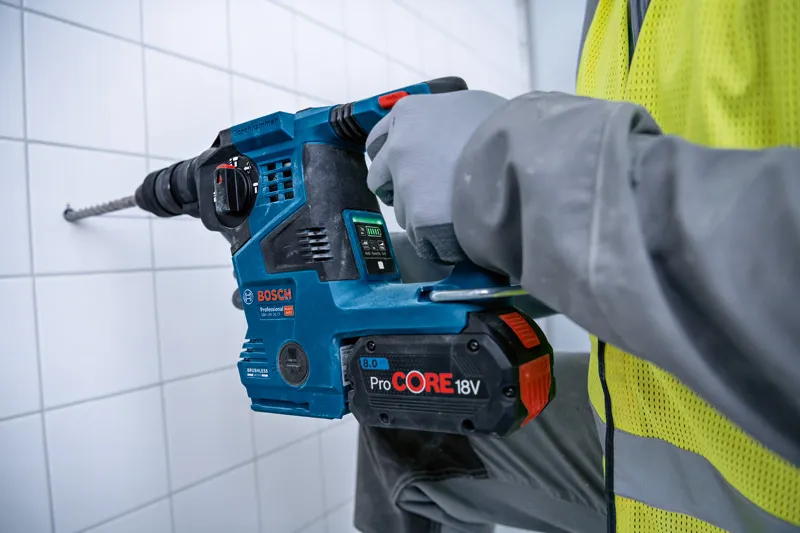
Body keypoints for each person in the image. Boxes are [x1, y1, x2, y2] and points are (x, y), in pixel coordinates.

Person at [352, 0, 800, 532]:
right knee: (400, 419)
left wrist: (507, 178)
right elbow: (619, 239)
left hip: (767, 482)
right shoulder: (608, 13)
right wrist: (441, 265)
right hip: (658, 421)